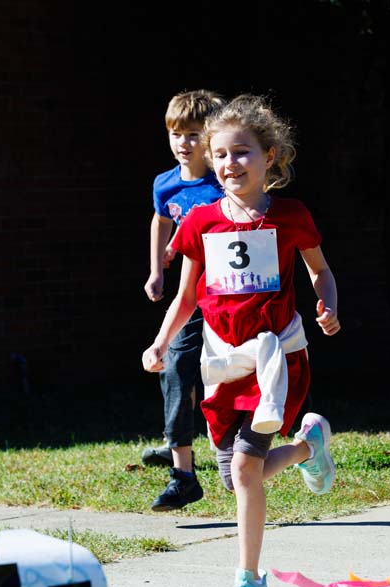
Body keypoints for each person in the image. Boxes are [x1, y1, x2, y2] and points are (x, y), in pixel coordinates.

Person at [142, 94, 340, 587]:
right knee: (235, 476)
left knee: (247, 471)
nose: (232, 164)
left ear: (270, 156)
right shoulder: (200, 222)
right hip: (223, 361)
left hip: (276, 359)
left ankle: (249, 582)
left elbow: (320, 270)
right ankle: (306, 448)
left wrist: (327, 304)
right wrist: (161, 342)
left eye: (244, 152)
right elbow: (187, 297)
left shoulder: (292, 215)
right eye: (222, 154)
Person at [141, 90, 226, 512]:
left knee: (220, 373)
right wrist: (158, 268)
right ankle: (182, 468)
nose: (183, 143)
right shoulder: (165, 182)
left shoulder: (224, 181)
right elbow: (161, 220)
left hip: (229, 295)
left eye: (193, 134)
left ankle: (209, 439)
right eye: (176, 133)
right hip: (191, 295)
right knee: (173, 365)